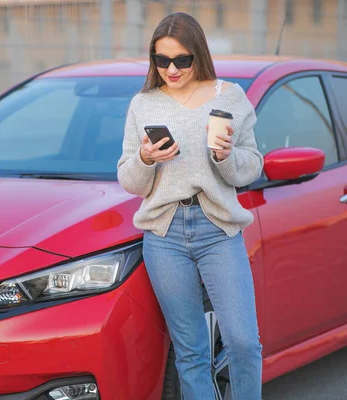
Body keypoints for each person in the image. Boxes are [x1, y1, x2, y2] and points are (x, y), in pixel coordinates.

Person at [116, 12, 264, 400]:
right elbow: (130, 181)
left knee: (244, 342)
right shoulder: (142, 104)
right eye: (162, 60)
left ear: (198, 54)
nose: (172, 69)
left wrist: (225, 156)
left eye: (181, 59)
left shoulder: (228, 95)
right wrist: (146, 159)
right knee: (190, 351)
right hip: (164, 234)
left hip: (218, 229)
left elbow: (250, 167)